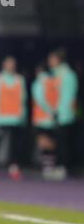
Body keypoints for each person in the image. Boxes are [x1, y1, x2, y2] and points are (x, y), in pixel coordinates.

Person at [32, 49, 78, 180]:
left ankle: (63, 167)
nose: (50, 62)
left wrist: (58, 111)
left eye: (52, 59)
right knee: (57, 142)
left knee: (64, 143)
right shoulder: (54, 75)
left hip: (64, 115)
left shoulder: (67, 75)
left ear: (59, 60)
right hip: (56, 115)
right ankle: (57, 166)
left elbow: (67, 97)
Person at [0, 56, 26, 180]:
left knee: (14, 145)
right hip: (0, 118)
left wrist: (22, 116)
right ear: (4, 65)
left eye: (12, 64)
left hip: (15, 118)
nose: (10, 66)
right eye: (8, 64)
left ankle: (14, 167)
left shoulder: (20, 80)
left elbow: (22, 100)